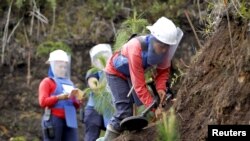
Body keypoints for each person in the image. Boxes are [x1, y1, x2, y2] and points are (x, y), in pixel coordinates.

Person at [99, 16, 184, 140]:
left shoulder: (164, 49)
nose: (165, 49)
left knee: (139, 107)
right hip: (115, 73)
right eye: (162, 46)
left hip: (130, 73)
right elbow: (139, 85)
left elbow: (163, 70)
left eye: (167, 46)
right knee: (124, 112)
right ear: (154, 39)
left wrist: (161, 88)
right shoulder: (136, 48)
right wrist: (155, 108)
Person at [38, 49, 83, 141]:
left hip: (70, 119)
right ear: (53, 66)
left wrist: (78, 99)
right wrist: (58, 97)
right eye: (60, 67)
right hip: (54, 119)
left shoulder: (70, 83)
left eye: (64, 67)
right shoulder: (47, 82)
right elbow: (42, 102)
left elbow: (76, 105)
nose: (63, 69)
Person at [83, 44, 113, 141]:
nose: (102, 59)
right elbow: (93, 85)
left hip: (110, 107)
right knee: (91, 137)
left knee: (112, 135)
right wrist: (102, 84)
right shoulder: (93, 72)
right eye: (99, 57)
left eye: (105, 56)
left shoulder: (114, 69)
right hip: (94, 110)